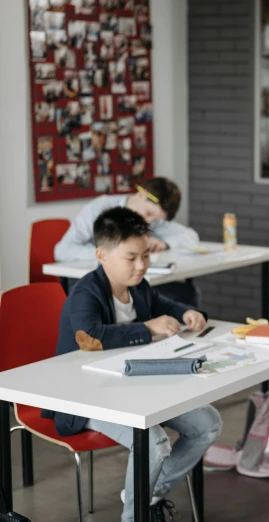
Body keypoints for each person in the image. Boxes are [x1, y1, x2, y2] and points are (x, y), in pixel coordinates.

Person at [42, 207, 221, 522]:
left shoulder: (138, 286)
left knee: (207, 423)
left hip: (133, 387)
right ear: (102, 254)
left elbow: (164, 305)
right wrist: (149, 329)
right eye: (131, 258)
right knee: (154, 443)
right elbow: (89, 338)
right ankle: (133, 517)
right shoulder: (85, 292)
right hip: (85, 396)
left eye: (147, 255)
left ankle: (145, 496)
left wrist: (187, 312)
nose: (141, 266)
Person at [55, 177, 200, 306]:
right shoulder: (100, 208)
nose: (147, 221)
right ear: (142, 194)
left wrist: (164, 244)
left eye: (154, 219)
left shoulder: (151, 221)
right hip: (95, 281)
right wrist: (113, 254)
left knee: (186, 293)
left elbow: (190, 235)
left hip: (132, 281)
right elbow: (62, 250)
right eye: (148, 213)